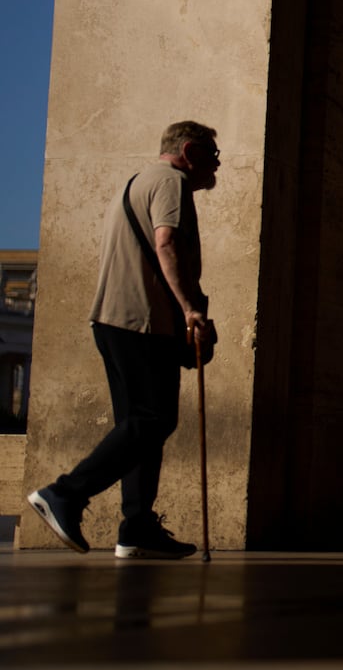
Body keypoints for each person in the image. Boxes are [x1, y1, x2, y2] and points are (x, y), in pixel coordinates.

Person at [27, 120, 222, 559]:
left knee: (139, 426)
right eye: (212, 155)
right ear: (189, 151)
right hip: (141, 321)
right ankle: (65, 494)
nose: (217, 165)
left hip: (117, 321)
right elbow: (165, 243)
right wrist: (191, 308)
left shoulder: (138, 182)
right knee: (152, 421)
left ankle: (137, 526)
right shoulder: (170, 182)